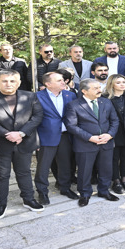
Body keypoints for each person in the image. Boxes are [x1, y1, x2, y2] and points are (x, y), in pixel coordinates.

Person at [0, 69, 44, 218]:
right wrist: (7, 134)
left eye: (12, 81)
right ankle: (1, 204)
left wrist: (21, 133)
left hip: (24, 141)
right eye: (5, 81)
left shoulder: (30, 96)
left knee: (24, 172)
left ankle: (28, 199)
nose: (8, 84)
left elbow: (37, 116)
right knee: (2, 175)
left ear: (19, 82)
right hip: (1, 143)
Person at [64, 78, 120, 207]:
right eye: (95, 88)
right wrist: (90, 137)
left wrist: (110, 135)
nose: (99, 90)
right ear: (84, 91)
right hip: (85, 144)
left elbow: (115, 120)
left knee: (106, 169)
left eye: (99, 87)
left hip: (106, 142)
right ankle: (84, 194)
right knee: (84, 171)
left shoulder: (106, 102)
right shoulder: (74, 105)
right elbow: (72, 126)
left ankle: (104, 191)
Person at [34, 72, 79, 205]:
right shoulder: (36, 97)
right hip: (45, 137)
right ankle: (42, 192)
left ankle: (65, 188)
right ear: (48, 84)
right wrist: (35, 140)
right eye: (59, 80)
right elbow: (32, 119)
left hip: (65, 135)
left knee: (65, 164)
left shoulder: (70, 95)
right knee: (43, 166)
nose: (63, 82)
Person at [103, 74, 125, 194]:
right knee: (114, 158)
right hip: (113, 132)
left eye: (124, 82)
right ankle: (116, 181)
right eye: (118, 82)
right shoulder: (105, 98)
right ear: (111, 84)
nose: (122, 84)